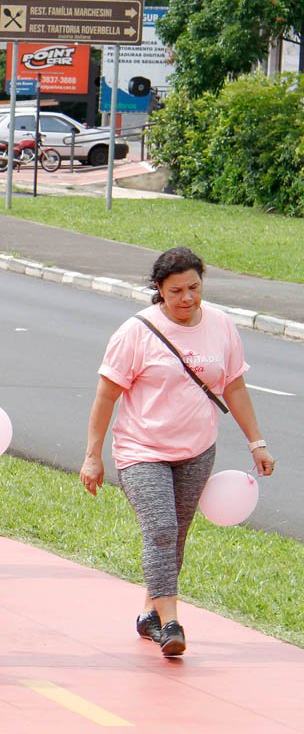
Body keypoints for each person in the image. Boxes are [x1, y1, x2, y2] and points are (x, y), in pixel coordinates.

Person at [80, 247, 275, 657]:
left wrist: (256, 442)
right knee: (162, 529)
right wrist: (93, 455)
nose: (187, 299)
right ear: (158, 290)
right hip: (141, 449)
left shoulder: (220, 325)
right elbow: (106, 396)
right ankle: (171, 622)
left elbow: (234, 386)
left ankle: (149, 614)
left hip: (197, 450)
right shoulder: (135, 332)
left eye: (194, 288)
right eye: (176, 291)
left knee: (176, 535)